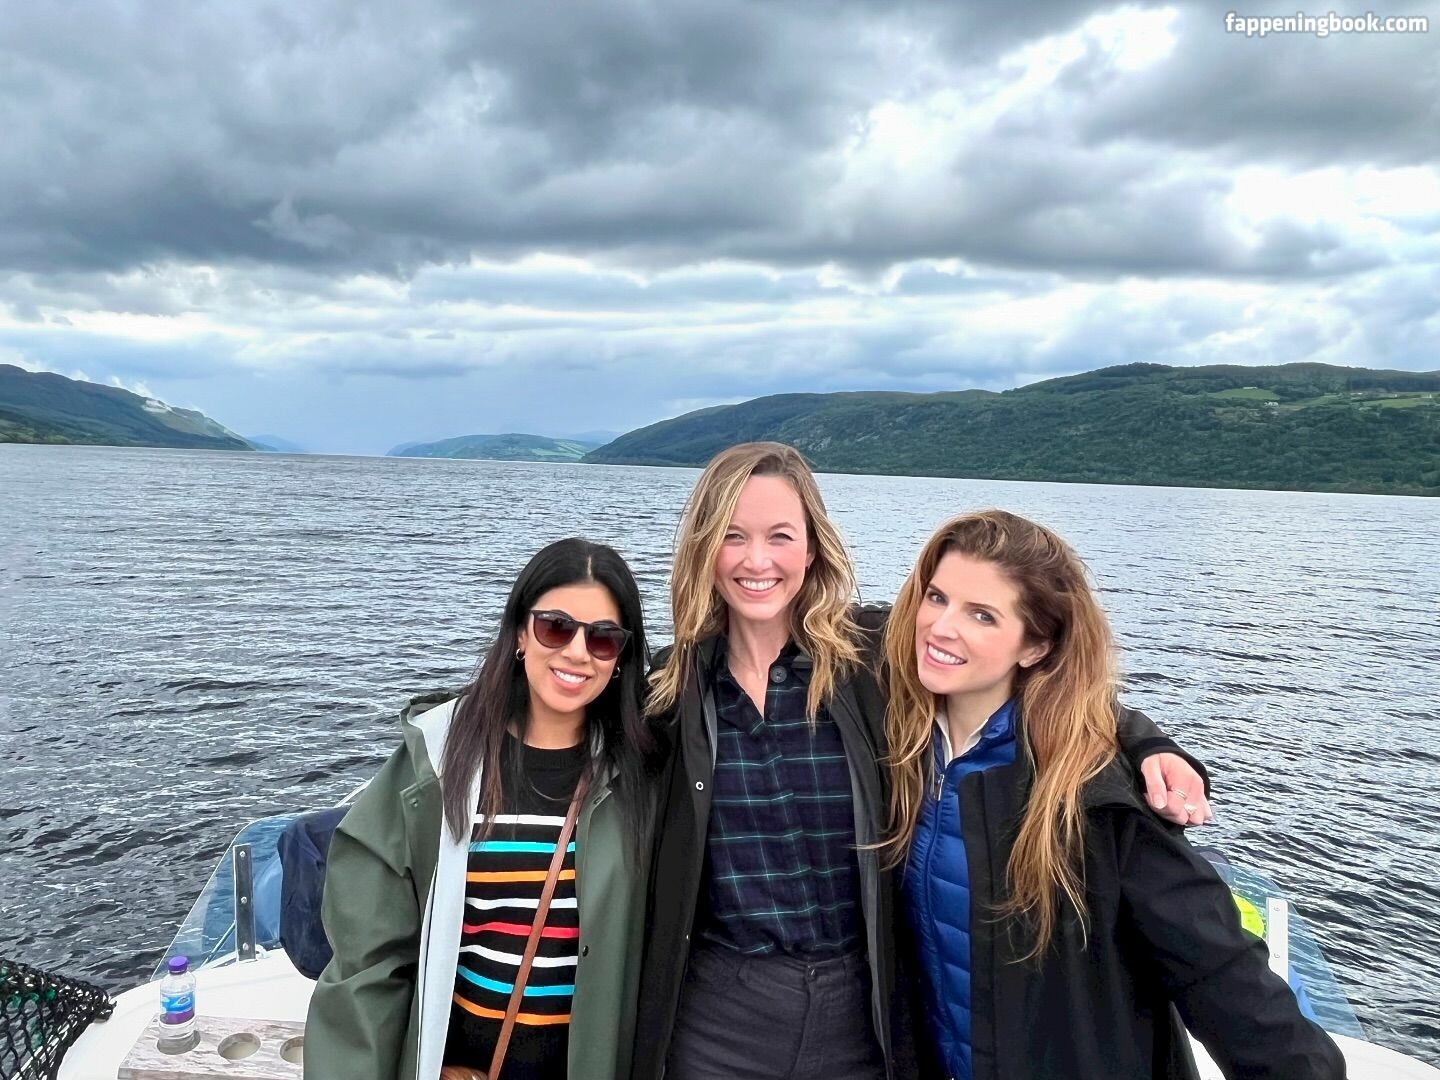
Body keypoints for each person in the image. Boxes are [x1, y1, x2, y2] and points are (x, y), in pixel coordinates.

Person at [633, 443, 1210, 1080]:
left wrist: (1145, 742)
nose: (756, 560)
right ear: (703, 546)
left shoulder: (873, 657)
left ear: (813, 547)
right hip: (720, 1012)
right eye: (733, 535)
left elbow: (1028, 685)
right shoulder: (669, 691)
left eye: (780, 536)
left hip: (865, 1010)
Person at [883, 510, 1345, 1080]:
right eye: (936, 597)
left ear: (1035, 646)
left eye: (982, 615)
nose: (941, 627)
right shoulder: (898, 734)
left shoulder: (1093, 793)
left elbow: (1219, 971)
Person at [306, 538, 660, 1080]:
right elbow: (368, 960)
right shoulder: (441, 757)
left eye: (603, 638)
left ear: (621, 658)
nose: (577, 652)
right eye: (556, 627)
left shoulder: (643, 771)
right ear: (520, 632)